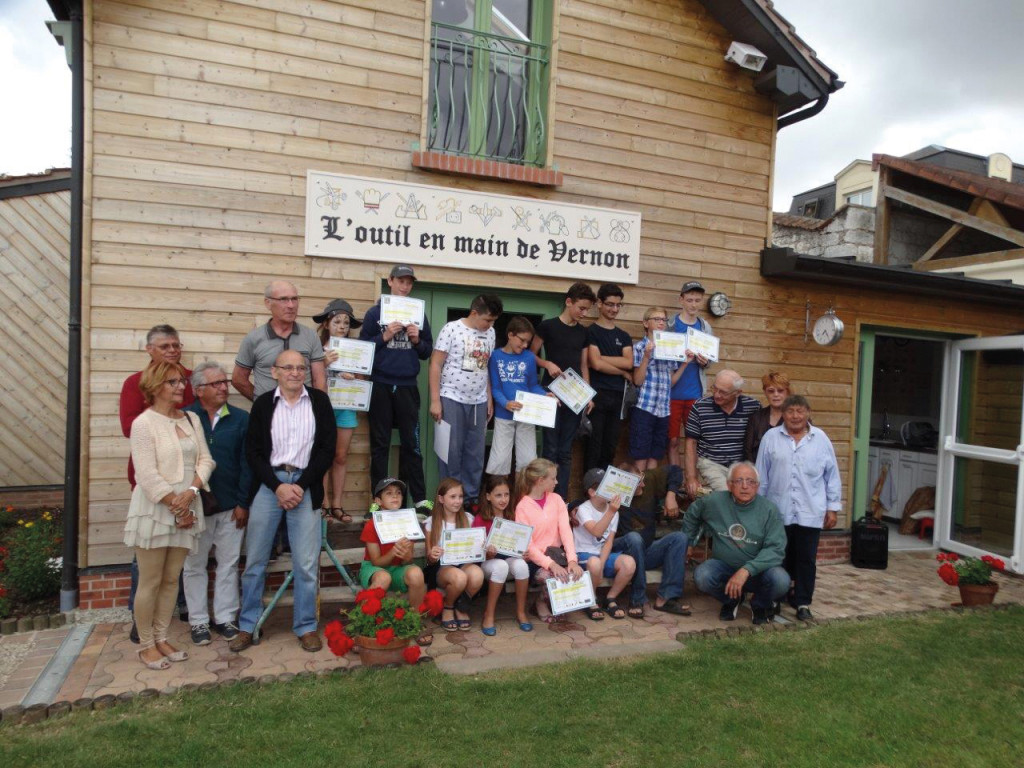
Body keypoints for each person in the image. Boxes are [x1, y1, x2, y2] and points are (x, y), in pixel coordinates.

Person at [230, 350, 336, 653]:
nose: (295, 372)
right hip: (269, 486)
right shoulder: (264, 404)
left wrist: (300, 486)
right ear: (275, 372)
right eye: (288, 367)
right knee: (255, 561)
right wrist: (278, 486)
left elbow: (327, 450)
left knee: (305, 564)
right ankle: (248, 625)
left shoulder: (319, 402)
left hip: (305, 486)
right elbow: (253, 453)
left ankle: (305, 627)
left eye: (301, 367)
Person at [124, 361, 214, 669]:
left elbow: (205, 460)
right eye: (172, 382)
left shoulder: (191, 418)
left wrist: (191, 493)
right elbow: (146, 474)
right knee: (150, 580)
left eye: (181, 381)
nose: (180, 387)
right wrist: (177, 504)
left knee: (171, 579)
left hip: (188, 505)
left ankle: (162, 638)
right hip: (155, 510)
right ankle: (146, 644)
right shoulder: (143, 423)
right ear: (154, 386)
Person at [119, 324, 195, 640]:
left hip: (186, 481)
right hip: (153, 483)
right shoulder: (135, 383)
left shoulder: (188, 379)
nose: (172, 351)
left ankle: (176, 612)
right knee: (149, 555)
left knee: (178, 554)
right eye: (165, 346)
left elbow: (194, 423)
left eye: (176, 345)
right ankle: (143, 622)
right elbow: (130, 427)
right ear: (149, 350)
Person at [182, 362, 250, 645]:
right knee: (194, 565)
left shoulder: (240, 418)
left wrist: (243, 502)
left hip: (230, 505)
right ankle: (198, 622)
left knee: (229, 564)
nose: (224, 387)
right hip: (195, 508)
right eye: (216, 384)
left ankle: (225, 618)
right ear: (198, 390)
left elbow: (248, 464)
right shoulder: (184, 418)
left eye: (225, 382)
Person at [755, 395, 841, 621]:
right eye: (790, 411)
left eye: (800, 411)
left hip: (810, 511)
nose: (795, 416)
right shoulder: (771, 438)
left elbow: (831, 475)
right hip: (777, 512)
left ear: (808, 413)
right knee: (777, 558)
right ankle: (775, 599)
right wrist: (759, 508)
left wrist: (832, 508)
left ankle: (802, 602)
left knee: (805, 559)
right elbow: (761, 475)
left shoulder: (820, 439)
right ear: (783, 413)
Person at [359, 265, 433, 508]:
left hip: (407, 386)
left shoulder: (419, 314)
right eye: (400, 281)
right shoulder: (374, 313)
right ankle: (377, 501)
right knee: (380, 445)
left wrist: (416, 340)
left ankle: (420, 499)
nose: (404, 286)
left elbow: (426, 352)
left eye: (409, 282)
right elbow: (363, 350)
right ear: (389, 281)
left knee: (412, 444)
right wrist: (384, 336)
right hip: (380, 384)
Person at [683, 462, 789, 625]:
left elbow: (775, 549)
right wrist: (688, 541)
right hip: (725, 568)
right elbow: (692, 513)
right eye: (739, 481)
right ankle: (732, 599)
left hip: (759, 572)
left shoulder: (769, 510)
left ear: (758, 486)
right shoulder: (714, 502)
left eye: (751, 481)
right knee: (702, 575)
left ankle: (759, 604)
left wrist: (746, 570)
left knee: (781, 579)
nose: (745, 486)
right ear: (729, 484)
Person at [429, 293, 503, 505]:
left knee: (475, 454)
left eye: (493, 321)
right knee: (450, 452)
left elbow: (485, 367)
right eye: (487, 320)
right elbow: (435, 364)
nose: (490, 325)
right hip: (451, 396)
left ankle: (470, 502)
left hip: (478, 401)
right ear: (474, 313)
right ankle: (451, 501)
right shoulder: (451, 329)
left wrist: (488, 397)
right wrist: (435, 400)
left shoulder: (490, 333)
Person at [531, 282, 596, 498]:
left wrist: (588, 394)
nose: (584, 313)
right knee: (550, 448)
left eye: (587, 310)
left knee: (565, 451)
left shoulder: (583, 332)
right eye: (581, 308)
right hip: (550, 392)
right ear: (569, 302)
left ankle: (561, 498)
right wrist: (547, 364)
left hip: (574, 395)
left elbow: (584, 364)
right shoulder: (547, 326)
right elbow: (531, 355)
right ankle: (543, 494)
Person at [608, 463, 691, 617]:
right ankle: (637, 599)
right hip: (622, 554)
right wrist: (574, 509)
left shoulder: (649, 480)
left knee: (679, 538)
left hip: (646, 550)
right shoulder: (612, 493)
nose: (643, 485)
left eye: (641, 479)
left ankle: (665, 599)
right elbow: (586, 499)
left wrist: (671, 495)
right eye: (638, 484)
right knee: (634, 538)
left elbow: (675, 470)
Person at [358, 477, 431, 645]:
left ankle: (415, 621)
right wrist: (393, 552)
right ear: (378, 500)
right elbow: (376, 561)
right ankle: (362, 624)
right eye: (389, 493)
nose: (395, 497)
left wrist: (405, 556)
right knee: (383, 577)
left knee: (416, 573)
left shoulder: (407, 521)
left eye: (398, 493)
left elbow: (408, 561)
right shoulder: (372, 524)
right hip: (373, 569)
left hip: (397, 569)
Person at [232, 280, 326, 401]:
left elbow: (319, 380)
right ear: (268, 303)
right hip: (268, 416)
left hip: (304, 413)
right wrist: (261, 402)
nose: (291, 305)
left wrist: (318, 408)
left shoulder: (310, 336)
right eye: (284, 299)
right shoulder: (253, 339)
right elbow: (238, 379)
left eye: (294, 299)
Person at [514, 458, 583, 623]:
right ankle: (541, 602)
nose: (556, 481)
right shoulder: (522, 507)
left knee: (571, 573)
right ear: (540, 480)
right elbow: (528, 546)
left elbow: (566, 531)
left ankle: (546, 601)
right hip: (535, 561)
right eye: (553, 478)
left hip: (557, 555)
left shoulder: (557, 499)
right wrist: (550, 564)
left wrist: (572, 560)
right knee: (551, 576)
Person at [314, 298, 364, 523]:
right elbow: (306, 376)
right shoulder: (316, 348)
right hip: (324, 408)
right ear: (326, 324)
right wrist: (324, 363)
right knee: (323, 455)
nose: (342, 326)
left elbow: (363, 379)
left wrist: (355, 377)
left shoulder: (356, 350)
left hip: (347, 406)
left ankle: (337, 505)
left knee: (341, 456)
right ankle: (323, 505)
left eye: (346, 322)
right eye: (337, 321)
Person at [486, 316, 550, 476]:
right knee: (500, 459)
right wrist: (505, 403)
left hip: (526, 415)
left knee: (528, 461)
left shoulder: (528, 357)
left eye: (528, 342)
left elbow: (533, 385)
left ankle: (524, 499)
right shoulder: (495, 356)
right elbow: (495, 387)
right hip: (503, 415)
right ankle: (499, 497)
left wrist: (545, 395)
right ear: (510, 334)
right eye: (522, 340)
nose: (525, 345)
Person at [684, 369, 760, 497]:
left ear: (737, 393)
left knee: (747, 495)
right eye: (715, 388)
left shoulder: (753, 407)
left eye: (723, 392)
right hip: (711, 463)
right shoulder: (700, 407)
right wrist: (691, 477)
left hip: (741, 465)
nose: (717, 395)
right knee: (727, 495)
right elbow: (690, 443)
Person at [572, 469, 635, 621]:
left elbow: (609, 541)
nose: (611, 491)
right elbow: (596, 531)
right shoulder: (583, 509)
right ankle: (591, 599)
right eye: (606, 487)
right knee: (594, 563)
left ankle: (610, 598)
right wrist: (611, 511)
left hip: (600, 554)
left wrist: (602, 560)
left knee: (629, 563)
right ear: (592, 492)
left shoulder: (613, 511)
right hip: (583, 554)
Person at [472, 475, 532, 635]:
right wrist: (487, 552)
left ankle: (521, 612)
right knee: (501, 566)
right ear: (488, 496)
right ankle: (489, 614)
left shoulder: (512, 515)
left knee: (521, 565)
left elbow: (519, 542)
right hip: (488, 563)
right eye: (498, 495)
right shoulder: (480, 518)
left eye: (506, 494)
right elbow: (475, 551)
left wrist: (523, 552)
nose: (503, 499)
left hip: (509, 559)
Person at [424, 478, 485, 632]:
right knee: (459, 577)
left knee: (477, 575)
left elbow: (476, 550)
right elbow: (429, 559)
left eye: (460, 496)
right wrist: (433, 554)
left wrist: (483, 547)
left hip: (464, 563)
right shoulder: (432, 522)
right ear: (441, 499)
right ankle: (448, 607)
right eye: (453, 497)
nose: (458, 501)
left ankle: (460, 607)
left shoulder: (469, 519)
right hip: (442, 568)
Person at [630, 307, 687, 472]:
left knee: (655, 456)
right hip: (644, 407)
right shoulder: (640, 347)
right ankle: (638, 495)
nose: (661, 322)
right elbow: (638, 381)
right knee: (641, 456)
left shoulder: (670, 348)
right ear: (646, 323)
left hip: (663, 409)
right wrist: (647, 357)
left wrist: (685, 364)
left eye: (663, 319)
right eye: (657, 319)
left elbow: (671, 382)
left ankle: (649, 494)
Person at [585, 284, 633, 471]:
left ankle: (604, 494)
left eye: (618, 305)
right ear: (599, 304)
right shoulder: (591, 332)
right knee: (593, 446)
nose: (614, 309)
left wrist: (599, 358)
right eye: (610, 304)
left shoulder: (624, 335)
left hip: (618, 397)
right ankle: (588, 491)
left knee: (610, 446)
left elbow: (629, 362)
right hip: (597, 395)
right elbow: (595, 365)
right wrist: (620, 370)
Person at [668, 281, 713, 470]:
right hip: (672, 392)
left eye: (697, 300)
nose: (693, 304)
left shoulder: (704, 327)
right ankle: (675, 482)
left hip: (695, 393)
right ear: (681, 300)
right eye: (689, 300)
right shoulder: (670, 324)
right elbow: (664, 355)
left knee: (693, 440)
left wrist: (705, 361)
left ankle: (691, 481)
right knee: (672, 441)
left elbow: (710, 358)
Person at [743, 371, 791, 462]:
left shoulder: (797, 418)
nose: (776, 395)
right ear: (765, 392)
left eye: (780, 391)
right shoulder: (756, 418)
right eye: (771, 391)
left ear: (787, 392)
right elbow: (747, 451)